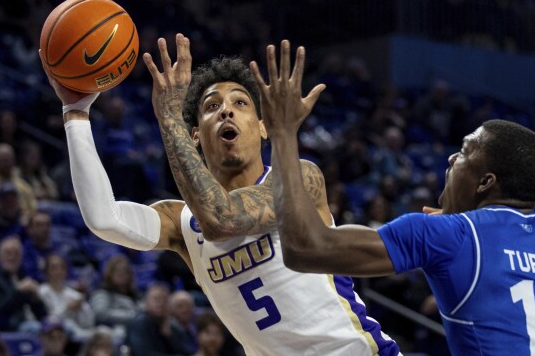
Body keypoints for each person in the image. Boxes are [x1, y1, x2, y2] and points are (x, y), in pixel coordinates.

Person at [39, 34, 400, 355]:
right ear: (195, 134)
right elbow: (104, 218)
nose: (226, 109)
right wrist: (76, 113)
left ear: (262, 127)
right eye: (212, 106)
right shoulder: (181, 224)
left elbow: (224, 218)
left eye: (241, 103)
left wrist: (169, 117)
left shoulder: (299, 179)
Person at [251, 39, 535, 355]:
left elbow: (304, 248)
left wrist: (282, 133)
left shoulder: (447, 235)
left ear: (485, 182)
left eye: (465, 152)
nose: (452, 158)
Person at [0, 235, 47, 332]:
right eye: (8, 253)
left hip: (29, 324)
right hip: (5, 329)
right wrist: (18, 291)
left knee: (56, 327)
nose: (12, 257)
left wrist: (36, 300)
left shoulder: (23, 277)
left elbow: (42, 316)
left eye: (16, 253)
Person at [125, 283, 193, 355]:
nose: (161, 303)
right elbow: (143, 353)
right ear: (146, 303)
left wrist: (170, 336)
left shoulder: (173, 325)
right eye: (156, 299)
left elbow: (185, 352)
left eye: (164, 300)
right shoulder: (140, 322)